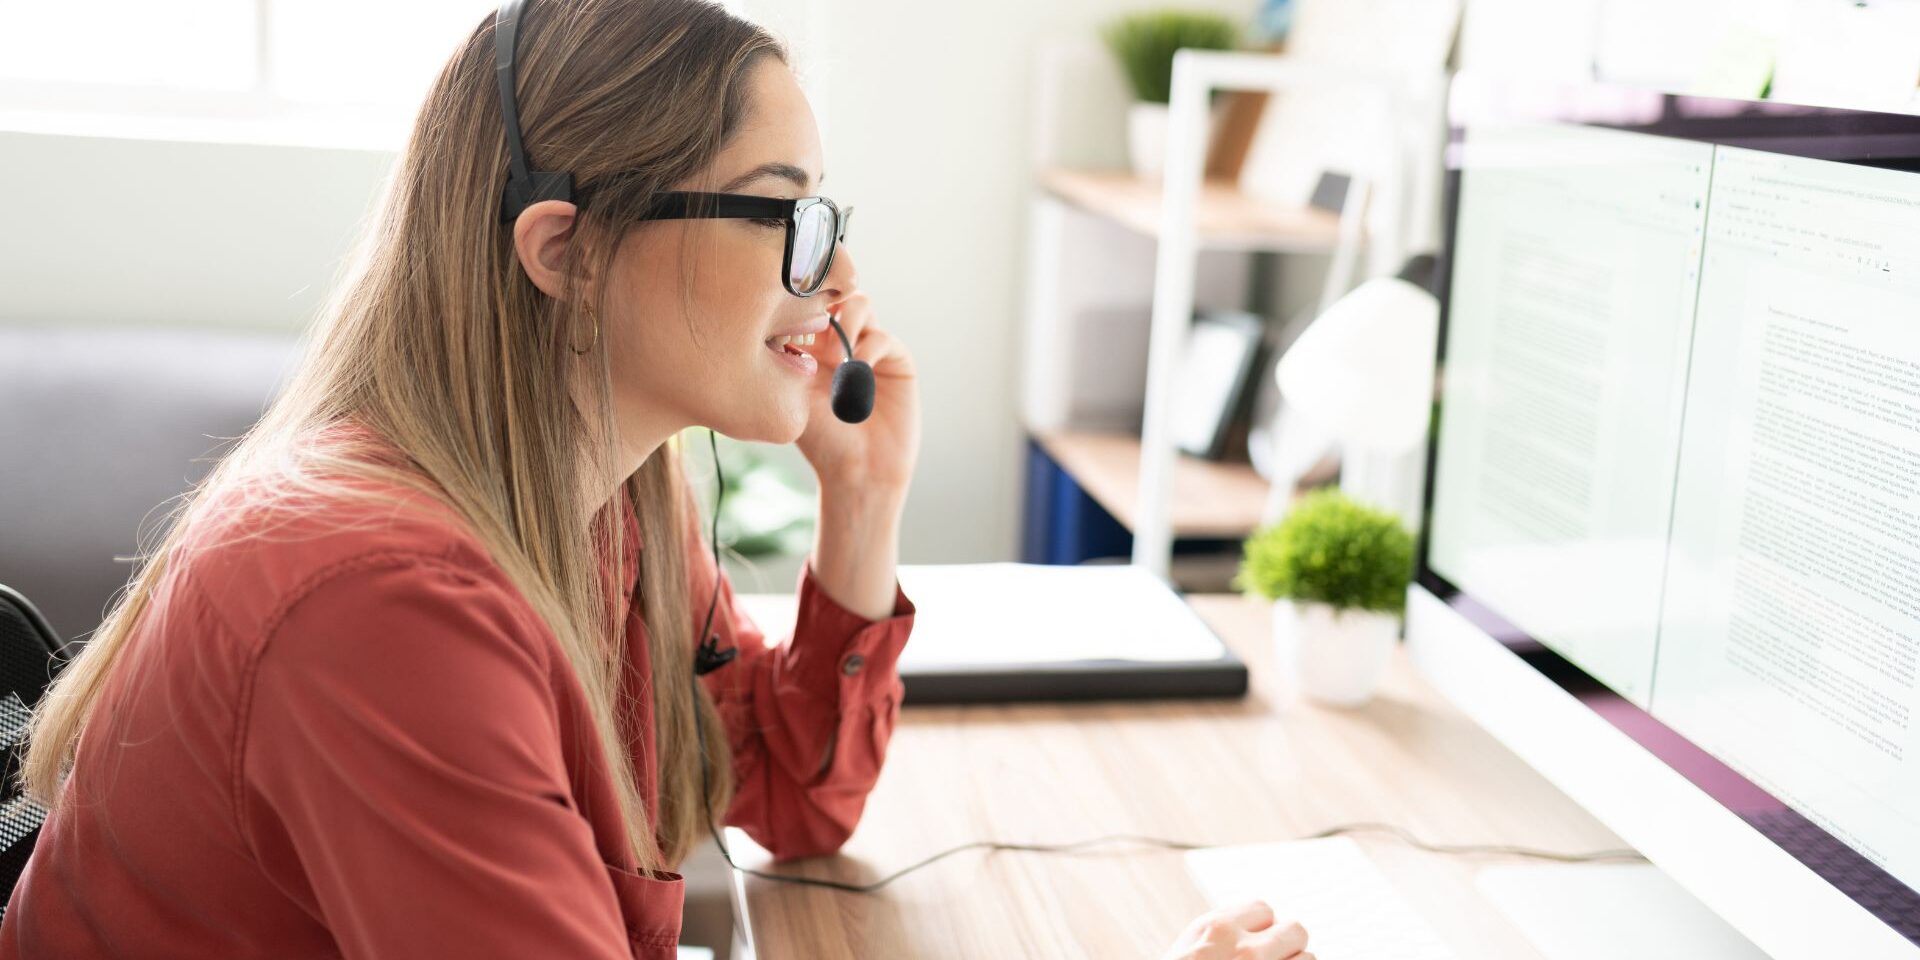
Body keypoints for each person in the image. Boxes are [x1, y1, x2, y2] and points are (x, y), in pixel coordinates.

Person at [1, 2, 1307, 958]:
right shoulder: (375, 600)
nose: (837, 280)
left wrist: (862, 501)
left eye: (830, 219)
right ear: (565, 248)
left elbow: (791, 801)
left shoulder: (619, 493)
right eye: (784, 212)